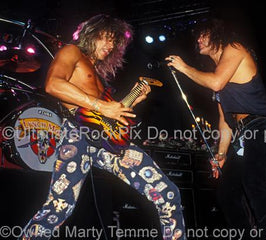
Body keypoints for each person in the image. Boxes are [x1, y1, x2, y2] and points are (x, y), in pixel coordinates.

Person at [20, 14, 186, 240]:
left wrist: (134, 100)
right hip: (76, 135)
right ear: (91, 33)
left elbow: (109, 114)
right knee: (60, 205)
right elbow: (53, 84)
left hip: (107, 140)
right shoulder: (72, 52)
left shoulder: (99, 75)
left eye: (114, 43)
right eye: (106, 38)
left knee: (167, 194)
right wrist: (100, 105)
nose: (110, 46)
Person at [166, 18, 266, 239]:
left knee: (257, 183)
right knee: (227, 193)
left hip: (261, 126)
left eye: (204, 34)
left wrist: (184, 68)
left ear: (217, 34)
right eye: (198, 36)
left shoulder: (234, 48)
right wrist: (221, 154)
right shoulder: (217, 71)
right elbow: (224, 120)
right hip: (241, 134)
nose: (199, 40)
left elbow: (216, 82)